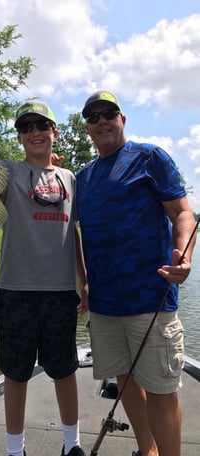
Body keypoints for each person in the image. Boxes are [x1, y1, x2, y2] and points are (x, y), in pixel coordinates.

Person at [0, 100, 88, 456]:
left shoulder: (70, 178)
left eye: (41, 126)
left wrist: (83, 280)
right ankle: (15, 449)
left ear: (54, 132)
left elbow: (75, 234)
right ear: (20, 137)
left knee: (64, 370)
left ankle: (71, 444)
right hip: (15, 291)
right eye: (26, 128)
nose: (35, 133)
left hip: (59, 292)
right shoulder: (5, 171)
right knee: (16, 373)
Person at [76, 91, 197, 456]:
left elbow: (182, 213)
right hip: (105, 303)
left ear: (122, 120)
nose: (101, 121)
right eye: (93, 117)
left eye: (108, 113)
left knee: (161, 389)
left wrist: (186, 257)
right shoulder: (83, 178)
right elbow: (77, 232)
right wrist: (83, 281)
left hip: (151, 297)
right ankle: (147, 451)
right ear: (88, 128)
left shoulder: (150, 158)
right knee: (126, 380)